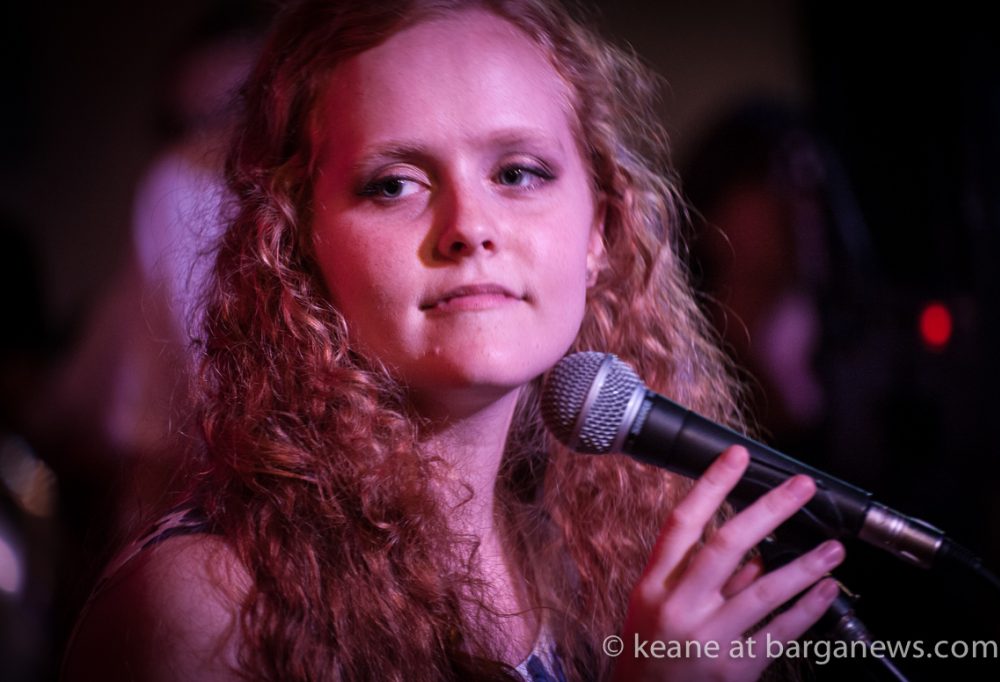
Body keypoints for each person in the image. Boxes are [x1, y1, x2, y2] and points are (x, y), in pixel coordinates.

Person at [62, 1, 844, 680]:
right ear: (298, 245)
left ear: (599, 230)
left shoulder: (577, 559)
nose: (469, 227)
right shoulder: (200, 607)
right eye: (394, 184)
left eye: (519, 173)